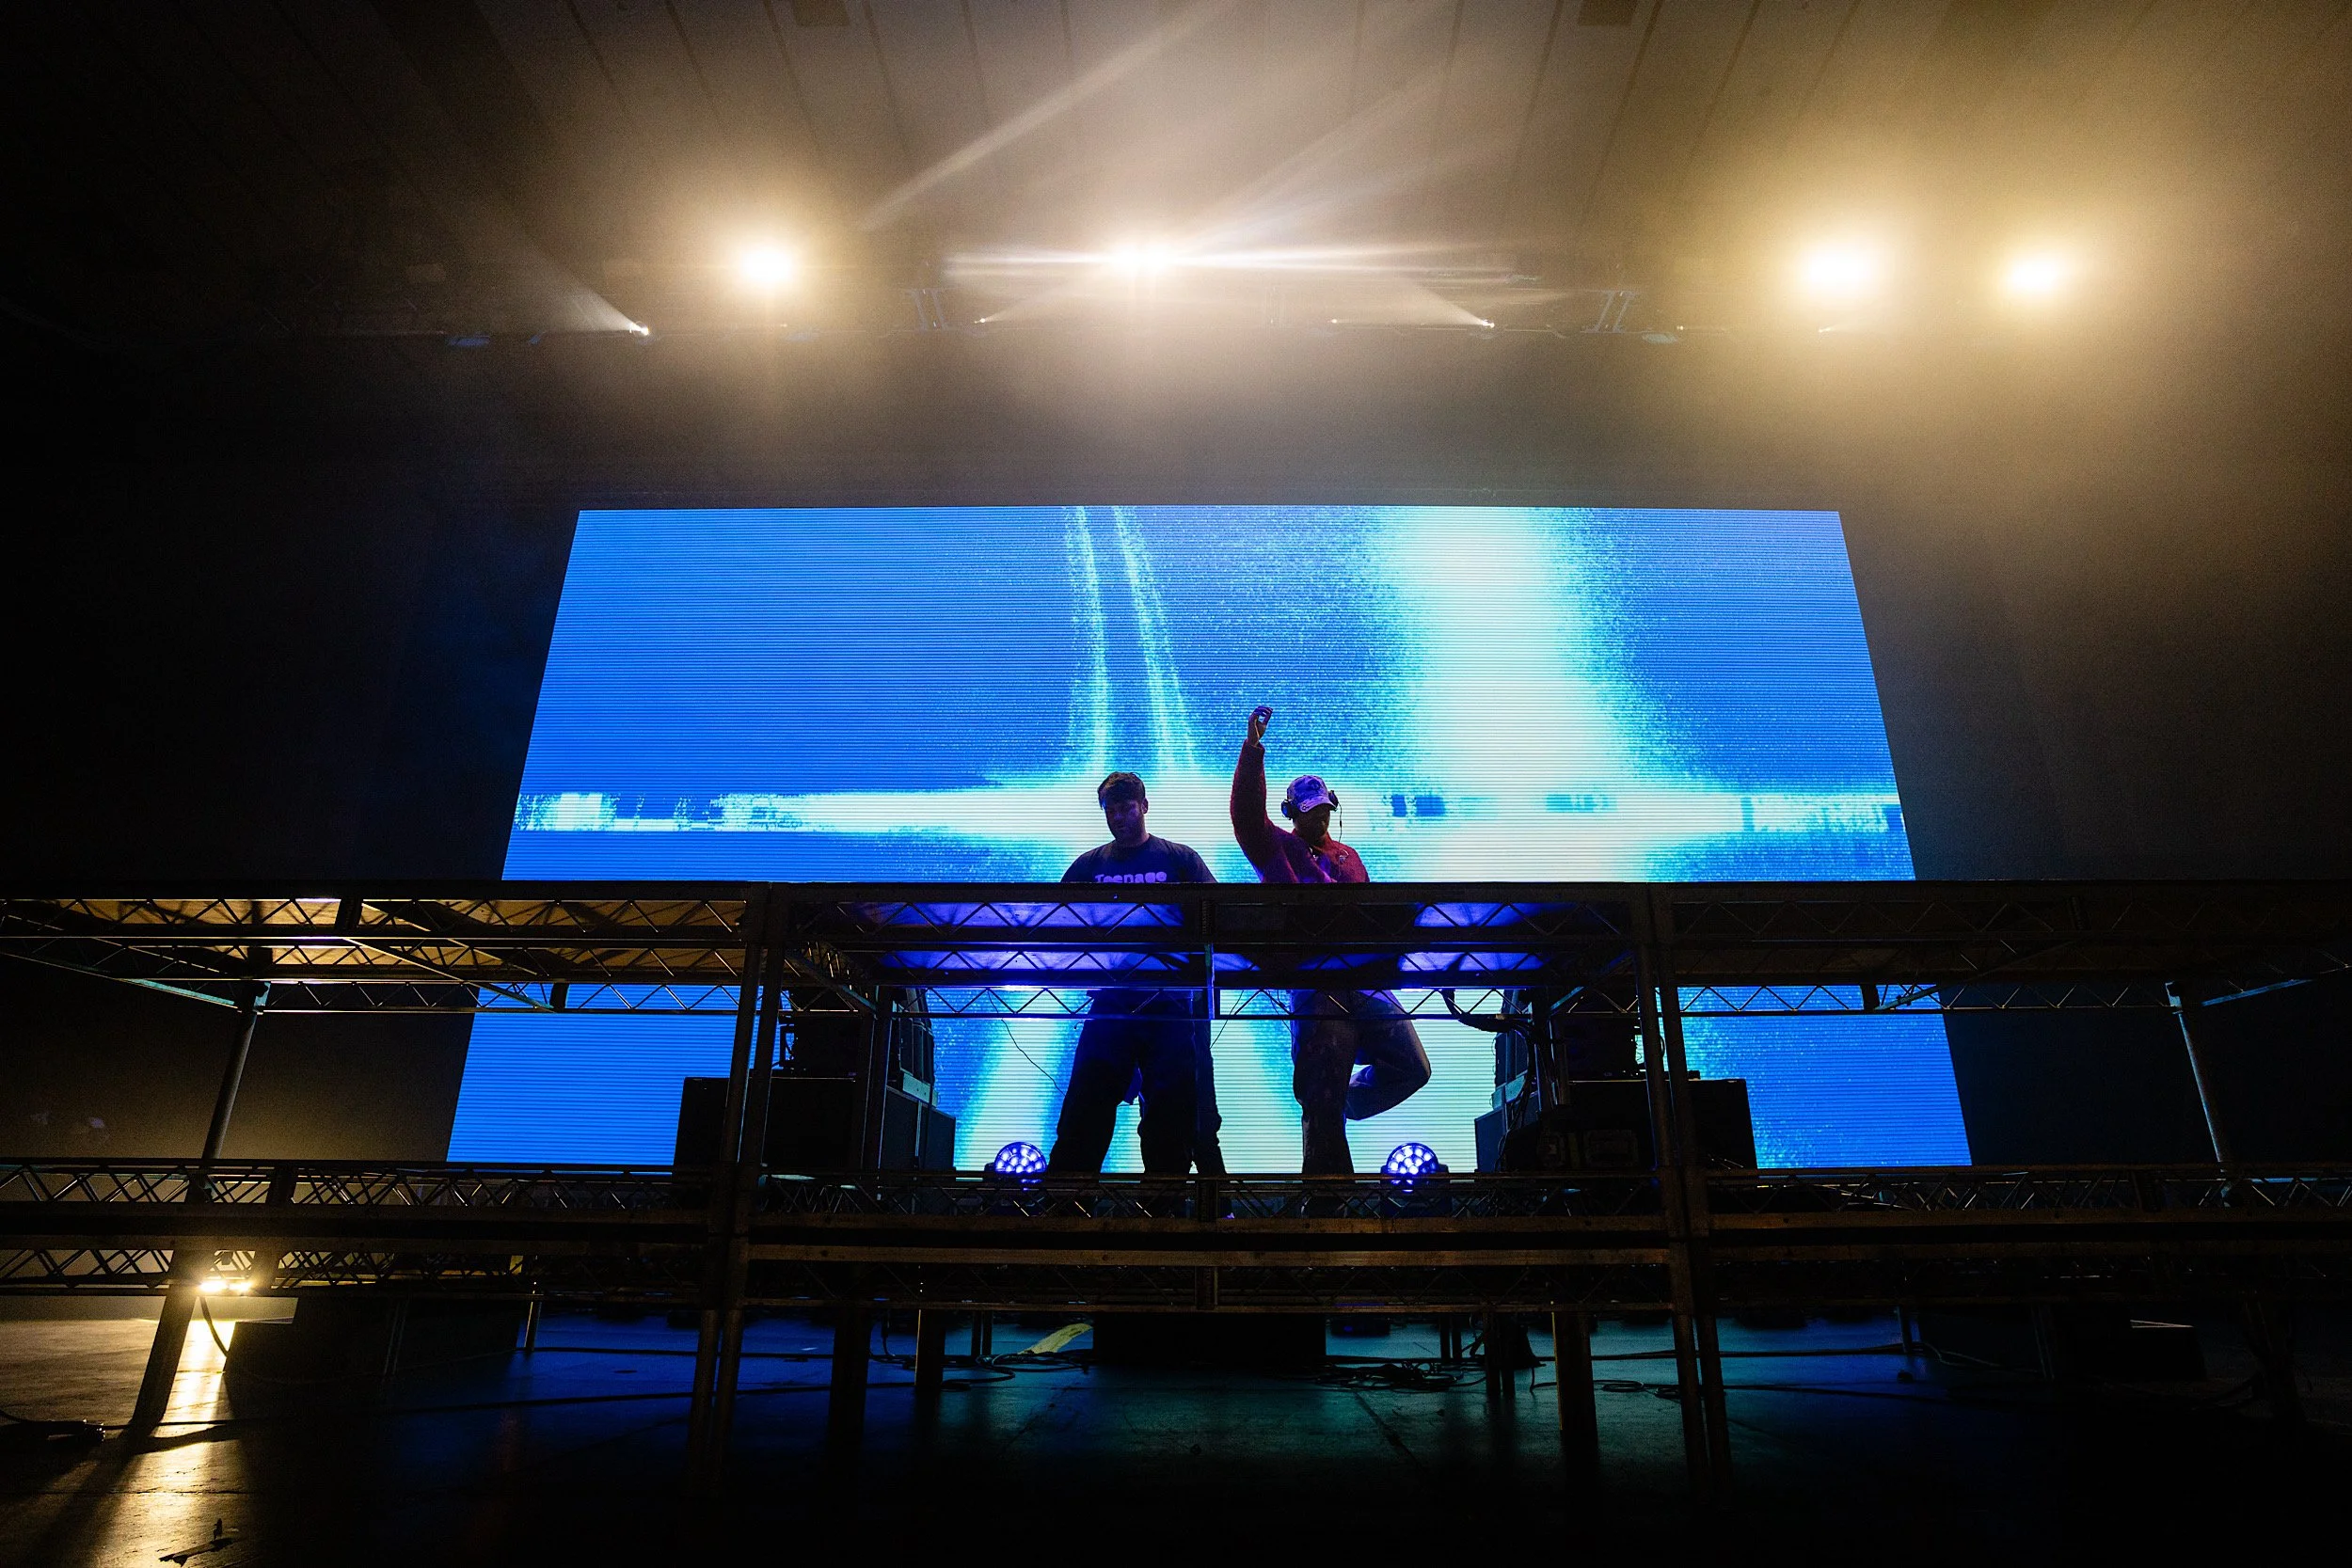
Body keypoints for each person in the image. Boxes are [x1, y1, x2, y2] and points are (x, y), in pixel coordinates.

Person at [1229, 706, 1431, 1175]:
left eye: (1324, 811)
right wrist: (1253, 750)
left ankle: (1340, 1102)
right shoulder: (1277, 848)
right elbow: (1246, 816)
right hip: (1316, 985)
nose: (1320, 819)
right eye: (1310, 813)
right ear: (1292, 815)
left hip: (1363, 982)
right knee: (1322, 1096)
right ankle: (1327, 1198)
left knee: (1412, 1068)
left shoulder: (1349, 856)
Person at [1045, 771, 1218, 1176]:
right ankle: (1067, 1201)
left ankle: (1163, 1203)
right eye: (1111, 810)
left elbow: (1217, 915)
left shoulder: (1180, 858)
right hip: (1112, 1003)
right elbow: (1054, 921)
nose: (1119, 817)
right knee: (1086, 1107)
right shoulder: (1087, 866)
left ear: (1144, 806)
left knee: (1171, 1116)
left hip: (1170, 1005)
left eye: (1126, 808)